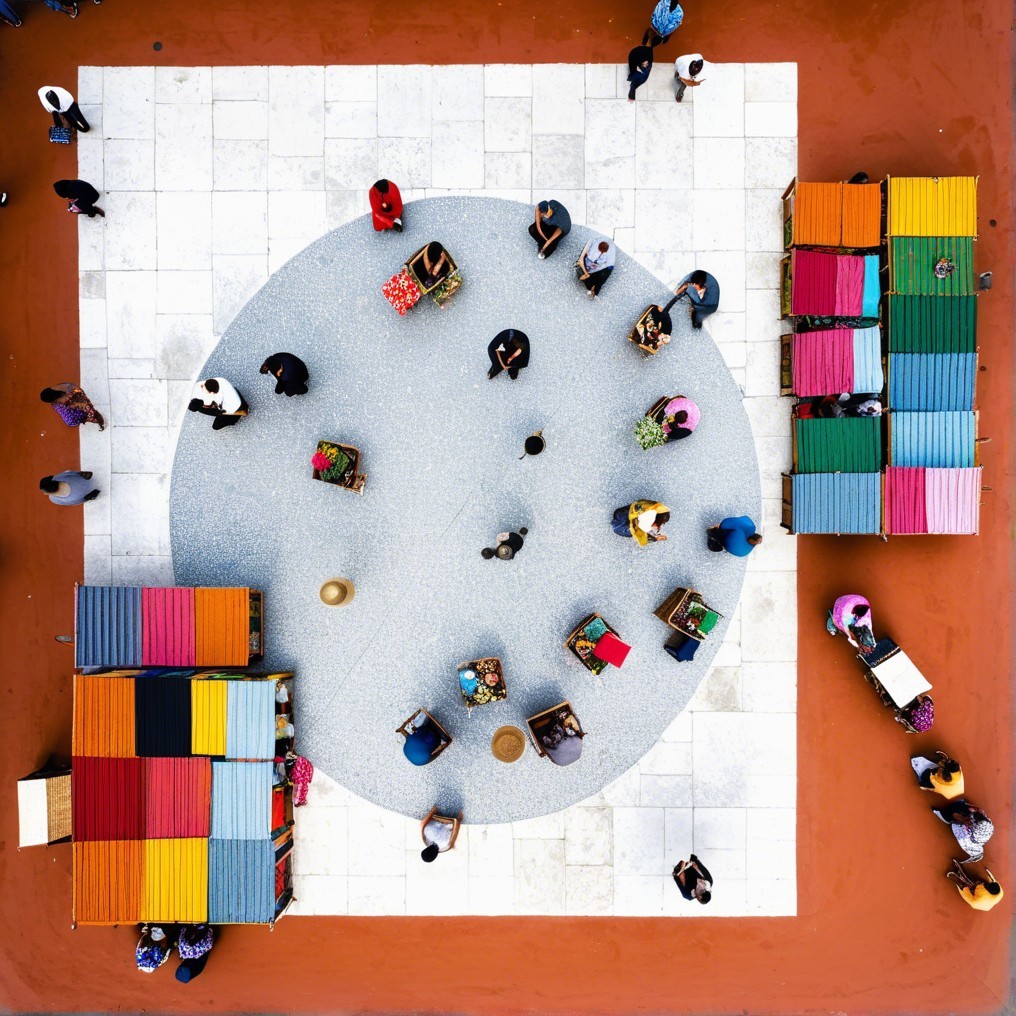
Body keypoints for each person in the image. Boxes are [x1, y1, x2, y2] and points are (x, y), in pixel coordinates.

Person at [40, 383, 104, 429]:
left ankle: (87, 415)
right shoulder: (56, 400)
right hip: (72, 402)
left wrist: (75, 405)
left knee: (75, 416)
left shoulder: (73, 392)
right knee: (69, 418)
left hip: (77, 398)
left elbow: (83, 404)